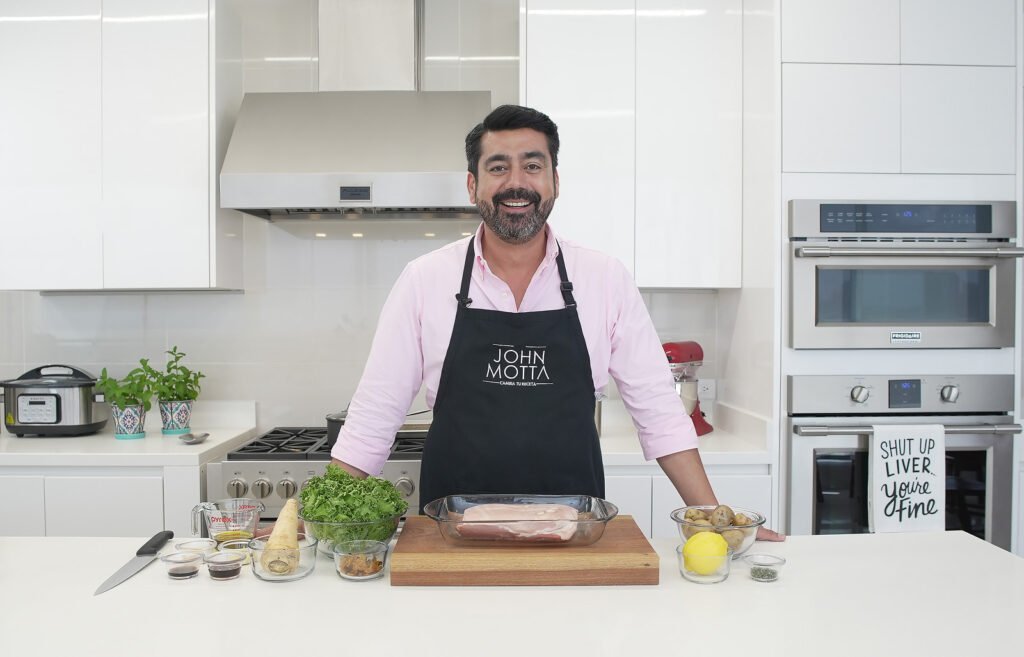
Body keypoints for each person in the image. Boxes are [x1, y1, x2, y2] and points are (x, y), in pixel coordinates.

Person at [331, 104, 783, 541]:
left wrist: (715, 518)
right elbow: (375, 414)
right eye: (498, 168)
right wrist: (318, 516)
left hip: (573, 531)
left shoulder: (603, 278)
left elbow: (659, 410)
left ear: (555, 182)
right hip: (455, 533)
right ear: (472, 185)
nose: (516, 182)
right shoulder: (425, 280)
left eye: (532, 166)